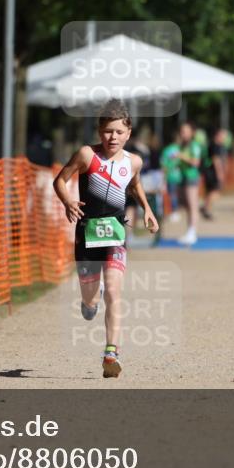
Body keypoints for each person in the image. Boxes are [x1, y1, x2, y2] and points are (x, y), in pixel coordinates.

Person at [52, 100, 159, 378]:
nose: (113, 137)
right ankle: (89, 301)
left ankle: (111, 353)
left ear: (129, 133)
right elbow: (60, 180)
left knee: (114, 290)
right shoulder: (87, 155)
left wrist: (147, 209)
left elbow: (134, 184)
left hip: (115, 233)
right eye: (108, 131)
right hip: (87, 233)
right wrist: (68, 202)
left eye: (119, 132)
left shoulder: (134, 161)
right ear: (100, 131)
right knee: (91, 299)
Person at [176, 122, 203, 245]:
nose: (183, 134)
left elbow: (196, 162)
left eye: (185, 131)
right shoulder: (182, 145)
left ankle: (192, 233)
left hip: (191, 178)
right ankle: (190, 231)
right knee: (187, 205)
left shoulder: (194, 145)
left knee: (192, 205)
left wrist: (181, 157)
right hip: (183, 177)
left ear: (192, 133)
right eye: (182, 131)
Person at [201, 128, 228, 220]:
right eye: (223, 136)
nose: (224, 139)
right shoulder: (215, 146)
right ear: (218, 136)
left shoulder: (214, 145)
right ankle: (205, 208)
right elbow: (216, 161)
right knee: (215, 191)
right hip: (211, 172)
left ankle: (206, 208)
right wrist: (220, 174)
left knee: (211, 191)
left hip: (209, 171)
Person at [160, 137, 183, 223]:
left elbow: (164, 164)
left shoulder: (166, 150)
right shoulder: (179, 149)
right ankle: (175, 212)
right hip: (179, 175)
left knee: (172, 194)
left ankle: (173, 212)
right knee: (176, 194)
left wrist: (164, 177)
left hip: (170, 176)